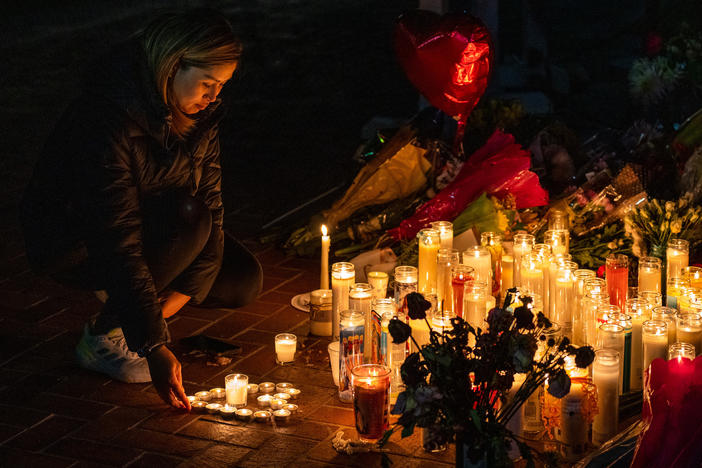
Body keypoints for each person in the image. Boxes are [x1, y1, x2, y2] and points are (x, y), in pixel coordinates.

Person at [20, 9, 262, 410]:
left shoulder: (201, 116)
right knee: (189, 217)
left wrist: (167, 311)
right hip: (76, 241)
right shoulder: (107, 117)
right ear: (174, 64)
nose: (214, 96)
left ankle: (128, 312)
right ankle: (103, 338)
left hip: (155, 219)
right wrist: (153, 344)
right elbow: (117, 236)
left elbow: (214, 204)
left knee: (239, 278)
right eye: (207, 83)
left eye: (222, 85)